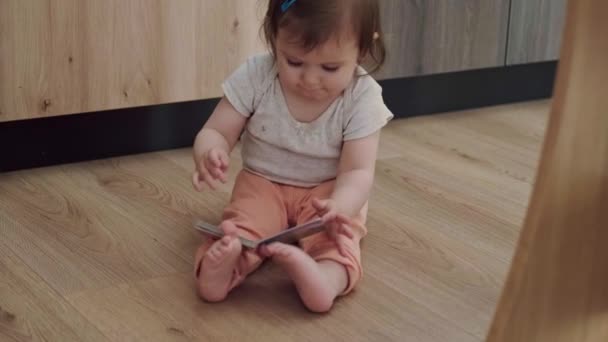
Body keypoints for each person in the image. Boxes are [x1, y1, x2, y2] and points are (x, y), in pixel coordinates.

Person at [191, 0, 393, 313]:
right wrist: (210, 151)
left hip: (327, 194)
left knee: (337, 240)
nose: (310, 80)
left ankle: (326, 278)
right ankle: (220, 270)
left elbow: (357, 172)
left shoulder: (362, 96)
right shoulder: (257, 75)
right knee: (240, 230)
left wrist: (341, 206)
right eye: (294, 62)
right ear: (275, 38)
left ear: (363, 49)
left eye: (330, 68)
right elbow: (216, 130)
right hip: (262, 183)